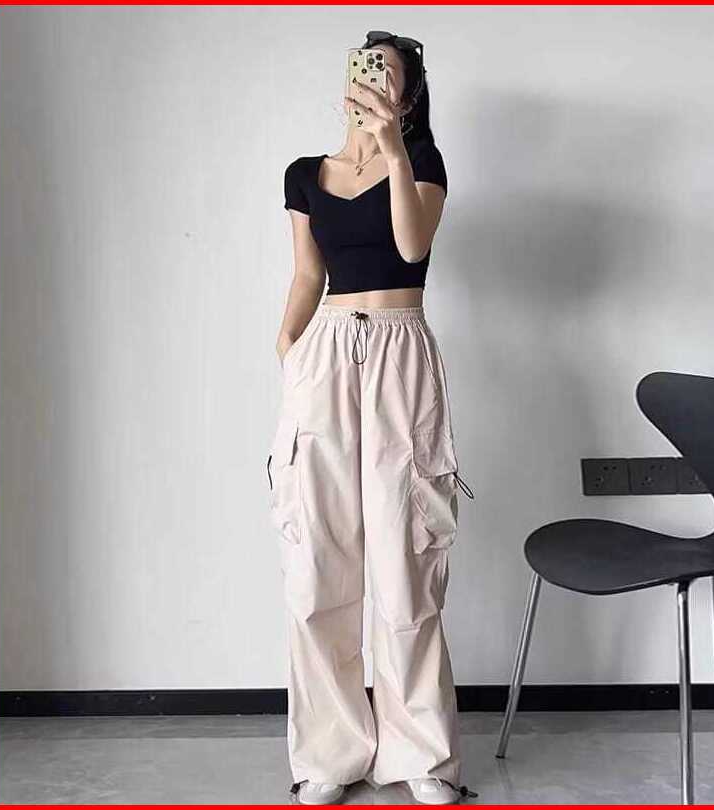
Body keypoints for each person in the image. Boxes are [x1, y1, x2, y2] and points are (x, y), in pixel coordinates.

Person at [267, 30, 476, 806]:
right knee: (317, 556)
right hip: (324, 354)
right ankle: (329, 754)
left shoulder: (422, 163)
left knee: (405, 555)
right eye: (364, 67)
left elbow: (411, 247)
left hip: (400, 348)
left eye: (387, 73)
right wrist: (289, 348)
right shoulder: (304, 174)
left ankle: (421, 754)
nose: (371, 80)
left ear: (408, 95)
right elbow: (306, 275)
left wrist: (392, 148)